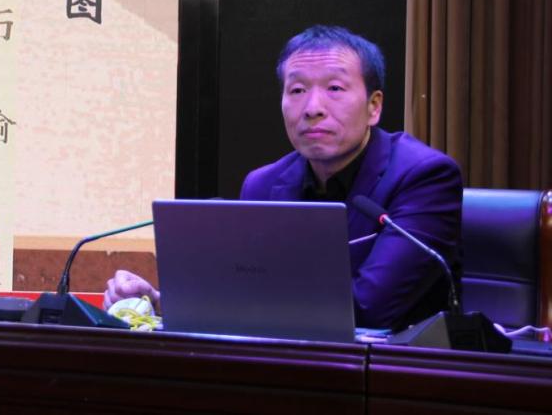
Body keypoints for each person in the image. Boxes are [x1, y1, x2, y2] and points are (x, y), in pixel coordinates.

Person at [104, 25, 463, 330]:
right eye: (297, 90)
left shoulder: (424, 177)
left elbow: (369, 309)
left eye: (335, 89)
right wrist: (160, 301)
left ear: (374, 106)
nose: (313, 108)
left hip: (397, 374)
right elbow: (243, 294)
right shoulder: (263, 185)